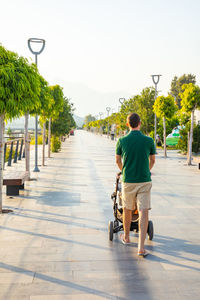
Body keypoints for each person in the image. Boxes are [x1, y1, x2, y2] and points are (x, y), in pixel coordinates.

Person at [116, 113, 156, 257]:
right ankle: (141, 247)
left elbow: (118, 161)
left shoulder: (122, 140)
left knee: (127, 209)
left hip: (128, 181)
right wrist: (146, 170)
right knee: (144, 211)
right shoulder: (149, 140)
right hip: (144, 180)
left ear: (128, 124)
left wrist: (124, 171)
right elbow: (152, 160)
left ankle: (126, 237)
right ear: (140, 123)